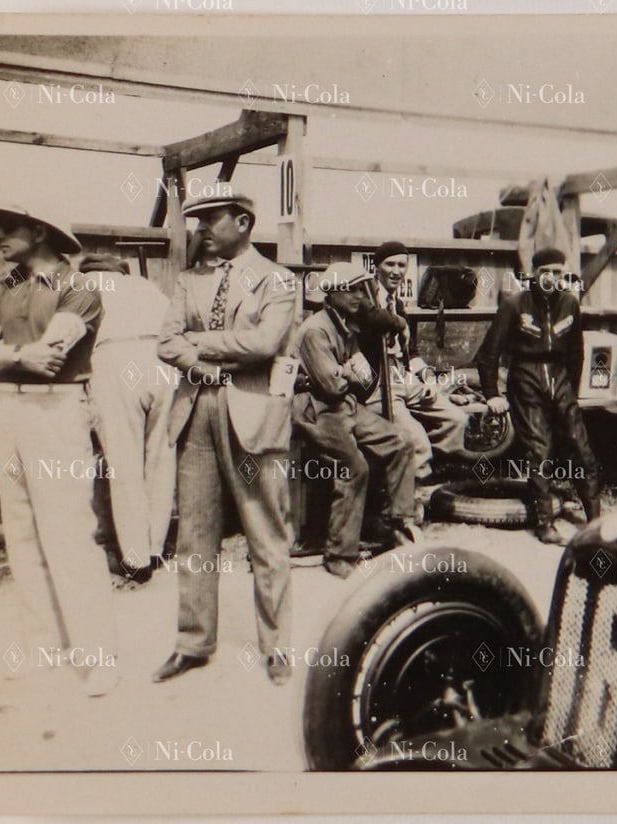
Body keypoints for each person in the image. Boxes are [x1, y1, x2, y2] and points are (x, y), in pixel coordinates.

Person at [152, 193, 297, 685]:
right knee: (194, 535)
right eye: (196, 221)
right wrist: (201, 362)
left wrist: (202, 342)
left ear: (243, 222)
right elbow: (166, 341)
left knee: (266, 533)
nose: (202, 229)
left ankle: (276, 648)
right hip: (196, 411)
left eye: (211, 220)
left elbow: (265, 343)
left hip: (253, 417)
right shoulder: (189, 279)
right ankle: (193, 643)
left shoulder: (278, 278)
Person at [0, 205, 119, 697]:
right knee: (21, 534)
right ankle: (43, 645)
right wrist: (16, 355)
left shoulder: (78, 286)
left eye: (7, 228)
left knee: (69, 536)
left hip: (57, 410)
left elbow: (54, 354)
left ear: (39, 231)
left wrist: (2, 357)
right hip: (6, 411)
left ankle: (98, 655)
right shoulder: (2, 286)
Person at [292, 262, 419, 579]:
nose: (357, 296)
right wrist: (347, 373)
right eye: (350, 289)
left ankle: (399, 522)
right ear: (332, 294)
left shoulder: (346, 324)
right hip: (314, 408)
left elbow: (361, 379)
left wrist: (347, 372)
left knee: (401, 442)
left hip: (342, 404)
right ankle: (339, 554)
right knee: (354, 467)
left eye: (361, 288)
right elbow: (332, 384)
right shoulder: (315, 330)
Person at [476, 248, 601, 545]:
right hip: (526, 378)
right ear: (534, 273)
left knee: (580, 445)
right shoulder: (515, 304)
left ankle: (595, 518)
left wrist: (570, 393)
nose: (553, 279)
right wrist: (492, 394)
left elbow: (577, 353)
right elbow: (488, 353)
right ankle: (545, 523)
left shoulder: (570, 303)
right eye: (547, 272)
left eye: (558, 273)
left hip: (559, 378)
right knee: (539, 449)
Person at [81, 253, 175, 582]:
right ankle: (154, 548)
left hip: (115, 358)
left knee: (123, 463)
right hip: (163, 361)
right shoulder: (147, 287)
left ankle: (136, 559)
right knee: (162, 460)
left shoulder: (85, 284)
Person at [356, 241, 468, 480]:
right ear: (376, 267)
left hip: (404, 378)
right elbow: (373, 317)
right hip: (378, 383)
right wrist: (401, 323)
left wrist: (428, 379)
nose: (396, 271)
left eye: (401, 265)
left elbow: (412, 352)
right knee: (416, 441)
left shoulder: (396, 303)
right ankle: (412, 501)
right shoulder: (363, 296)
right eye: (390, 264)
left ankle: (426, 470)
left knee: (457, 419)